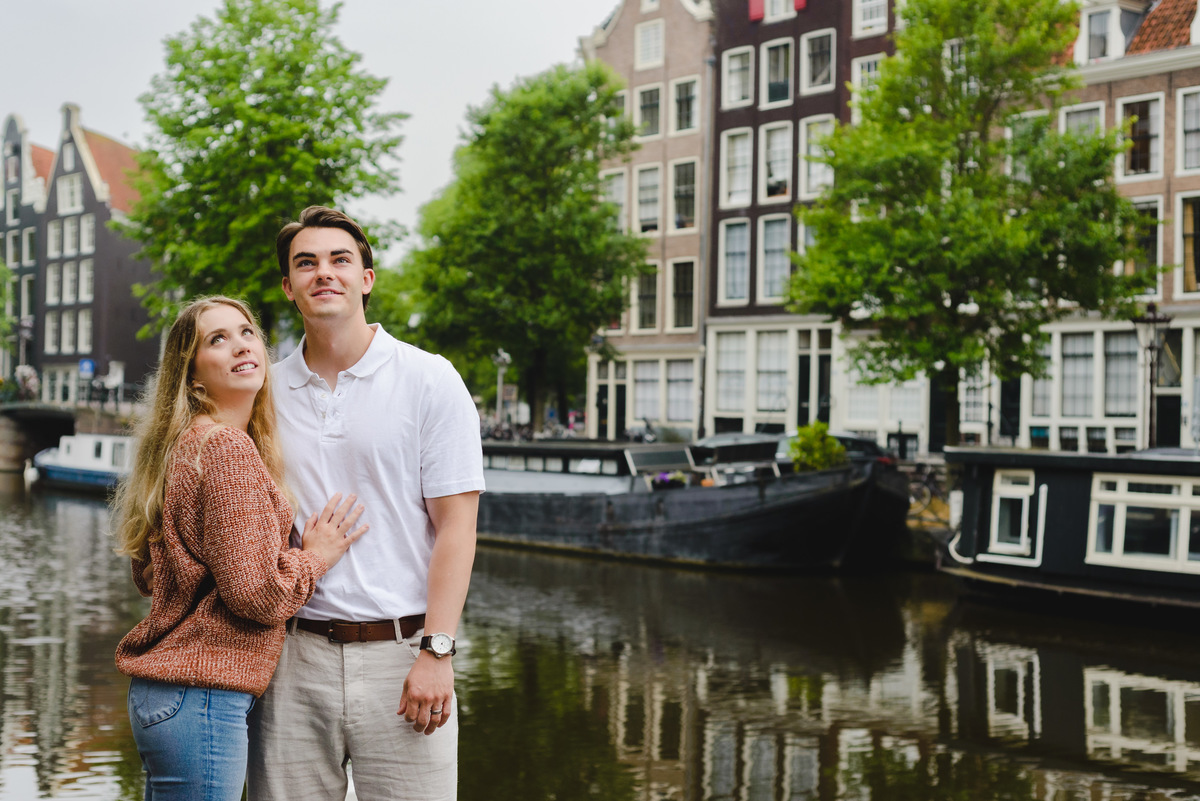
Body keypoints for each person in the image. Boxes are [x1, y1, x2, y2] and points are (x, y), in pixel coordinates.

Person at [247, 207, 484, 801]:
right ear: (288, 286)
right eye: (307, 263)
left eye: (339, 260)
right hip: (290, 659)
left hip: (403, 656)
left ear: (367, 278)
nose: (323, 272)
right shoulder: (262, 394)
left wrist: (437, 650)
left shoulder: (429, 379)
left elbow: (457, 528)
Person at [113, 296, 369, 801]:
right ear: (192, 377)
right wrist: (316, 554)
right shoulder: (226, 449)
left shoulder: (188, 443)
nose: (240, 346)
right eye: (217, 339)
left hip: (170, 698)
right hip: (201, 696)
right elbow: (254, 596)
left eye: (246, 332)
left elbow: (151, 574)